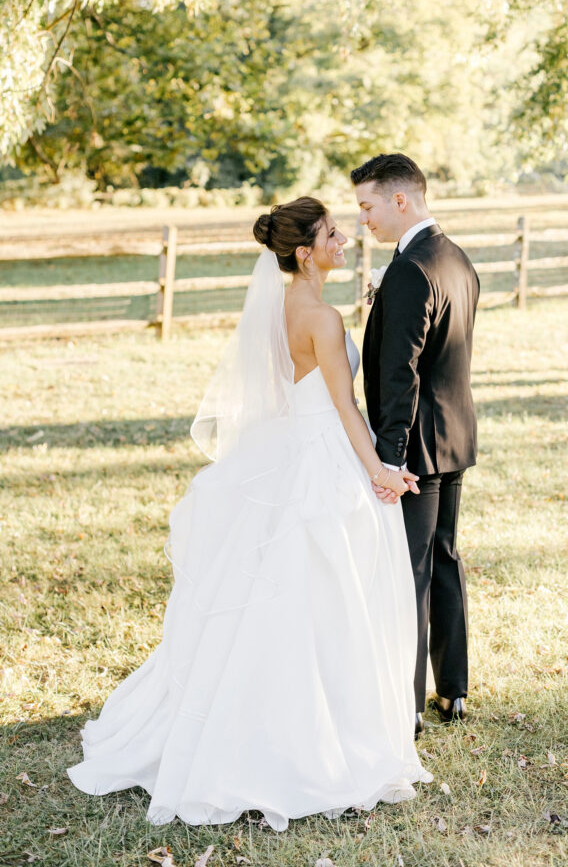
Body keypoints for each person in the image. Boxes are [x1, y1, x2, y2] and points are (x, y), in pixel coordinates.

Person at [67, 196, 432, 831]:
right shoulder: (319, 314)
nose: (343, 238)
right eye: (331, 234)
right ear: (304, 251)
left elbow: (300, 385)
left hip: (295, 445)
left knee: (288, 591)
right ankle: (316, 739)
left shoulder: (285, 305)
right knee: (329, 593)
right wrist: (378, 469)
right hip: (325, 455)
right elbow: (345, 409)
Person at [352, 154, 479, 735]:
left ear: (400, 200)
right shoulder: (455, 257)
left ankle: (406, 705)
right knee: (444, 557)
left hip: (417, 451)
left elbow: (400, 375)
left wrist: (389, 458)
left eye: (367, 205)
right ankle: (452, 690)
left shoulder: (409, 270)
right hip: (455, 436)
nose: (363, 220)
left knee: (412, 572)